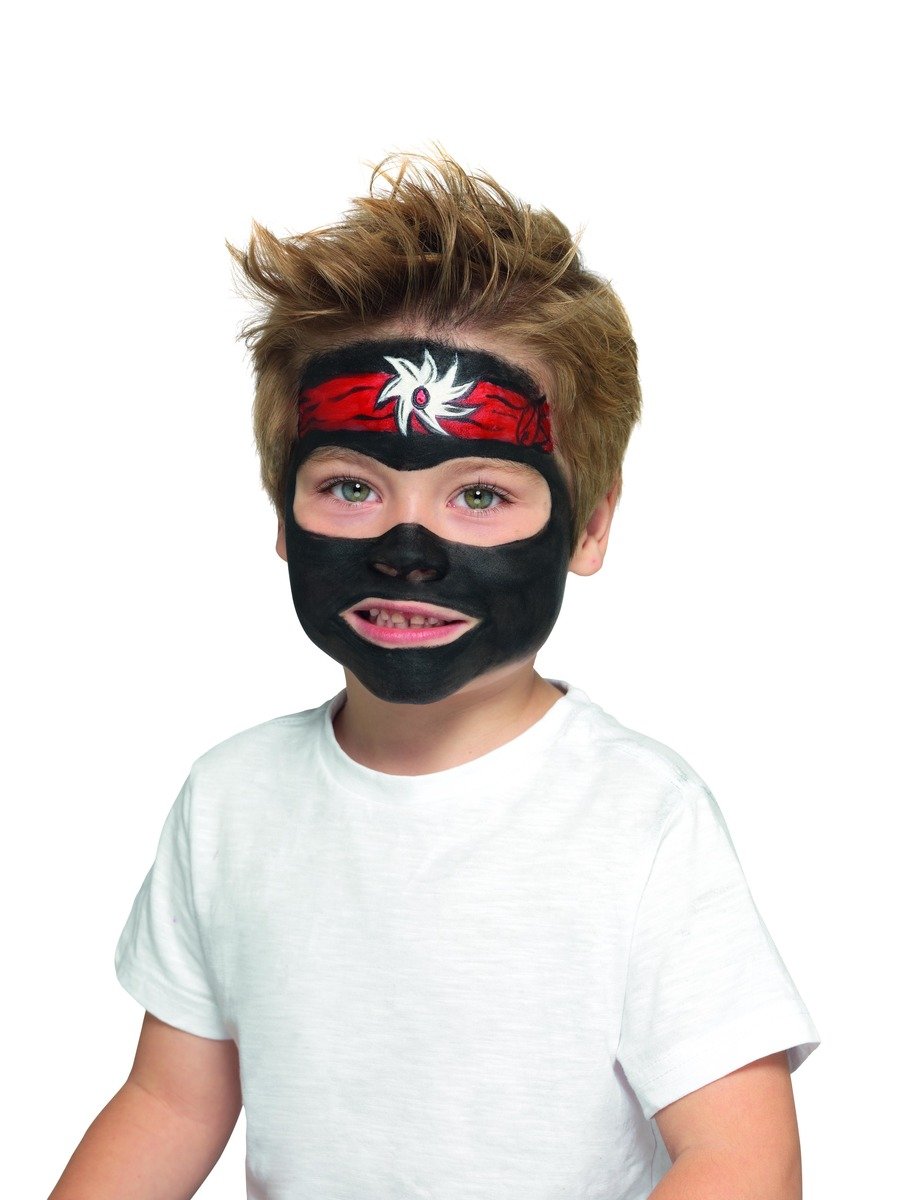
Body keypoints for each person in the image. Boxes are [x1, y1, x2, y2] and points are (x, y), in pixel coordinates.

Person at [49, 153, 819, 1200]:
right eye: (351, 486)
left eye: (481, 495)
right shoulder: (231, 800)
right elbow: (171, 1105)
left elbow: (744, 1157)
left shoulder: (640, 817)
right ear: (281, 512)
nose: (407, 552)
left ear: (589, 526)